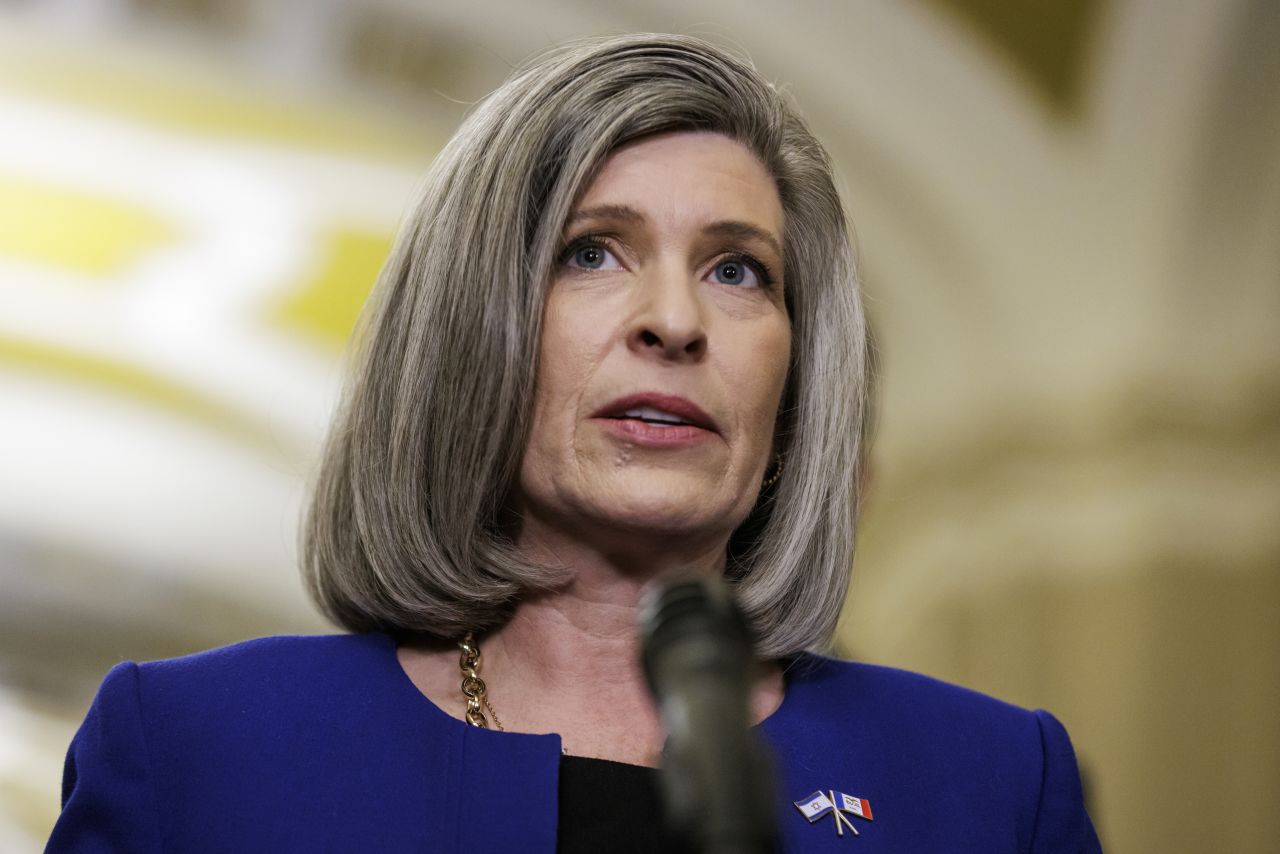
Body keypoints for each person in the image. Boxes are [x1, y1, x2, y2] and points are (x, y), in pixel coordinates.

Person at [47, 34, 1101, 853]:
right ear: (470, 331)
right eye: (593, 252)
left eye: (737, 270)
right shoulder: (196, 745)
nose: (674, 321)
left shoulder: (991, 780)